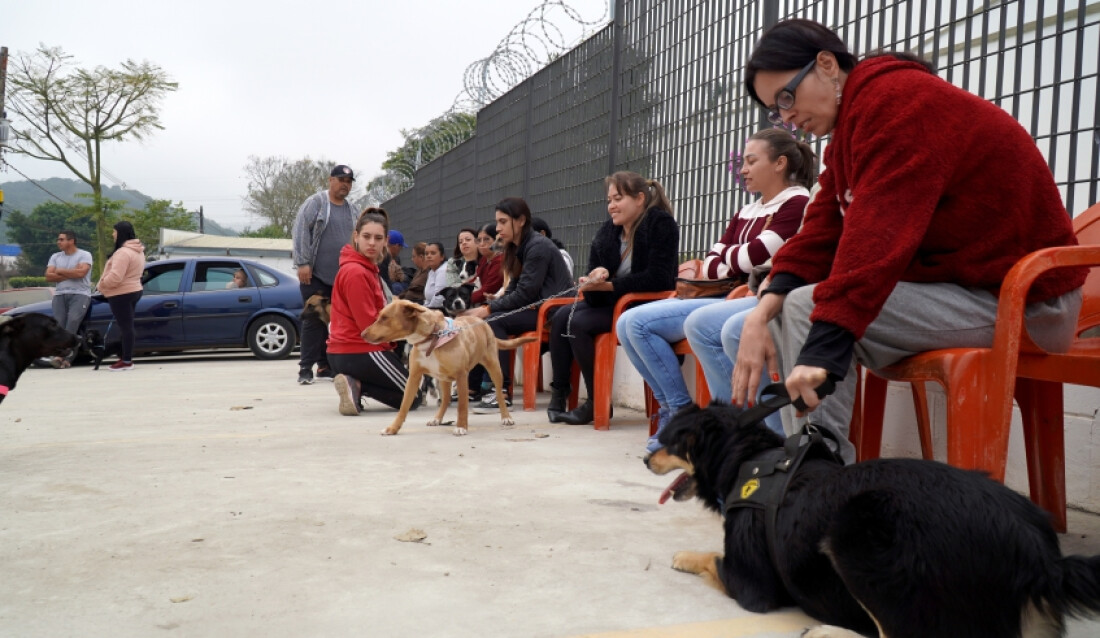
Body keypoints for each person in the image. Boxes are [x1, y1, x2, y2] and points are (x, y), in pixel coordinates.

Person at [729, 19, 1086, 464]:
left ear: (826, 64)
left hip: (1028, 300)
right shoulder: (855, 126)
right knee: (791, 306)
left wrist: (823, 345)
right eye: (774, 110)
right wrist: (762, 311)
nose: (786, 117)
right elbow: (821, 231)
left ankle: (816, 477)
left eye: (786, 97)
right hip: (966, 289)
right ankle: (808, 467)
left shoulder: (901, 104)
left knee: (805, 306)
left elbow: (878, 235)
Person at [619, 129, 813, 451]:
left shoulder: (796, 203)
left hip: (754, 294)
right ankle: (677, 411)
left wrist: (729, 260)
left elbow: (756, 256)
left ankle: (744, 433)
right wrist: (732, 261)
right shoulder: (746, 211)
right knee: (629, 321)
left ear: (779, 163)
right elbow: (712, 262)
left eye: (751, 161)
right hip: (725, 293)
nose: (743, 169)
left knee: (691, 325)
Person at [548, 172, 679, 426]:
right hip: (614, 302)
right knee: (562, 315)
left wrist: (609, 285)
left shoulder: (660, 224)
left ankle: (597, 402)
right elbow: (596, 268)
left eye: (618, 199)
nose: (611, 206)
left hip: (643, 305)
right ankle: (559, 392)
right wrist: (596, 275)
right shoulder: (609, 230)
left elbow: (659, 278)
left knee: (578, 323)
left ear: (639, 198)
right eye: (609, 200)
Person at [462, 197, 572, 412]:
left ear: (521, 221)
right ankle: (480, 387)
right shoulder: (516, 247)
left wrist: (487, 309)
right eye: (497, 222)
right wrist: (486, 309)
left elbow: (525, 293)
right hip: (536, 308)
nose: (498, 228)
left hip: (552, 312)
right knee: (486, 320)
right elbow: (514, 288)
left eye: (503, 222)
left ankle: (501, 391)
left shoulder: (537, 247)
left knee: (494, 321)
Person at [327, 207, 421, 416]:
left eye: (378, 238)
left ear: (385, 241)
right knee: (413, 397)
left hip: (347, 351)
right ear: (356, 236)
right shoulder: (356, 272)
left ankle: (355, 386)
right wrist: (390, 346)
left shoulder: (365, 268)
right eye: (366, 236)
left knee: (410, 392)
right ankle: (356, 383)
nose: (372, 243)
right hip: (359, 349)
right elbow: (369, 324)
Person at [291, 164, 359, 385]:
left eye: (348, 182)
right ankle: (305, 369)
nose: (345, 185)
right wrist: (303, 263)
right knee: (313, 321)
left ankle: (325, 366)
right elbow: (301, 231)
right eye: (341, 180)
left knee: (337, 323)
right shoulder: (316, 203)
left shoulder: (353, 210)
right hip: (315, 275)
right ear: (330, 180)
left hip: (342, 279)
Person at [96, 221, 146, 372]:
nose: (112, 234)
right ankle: (125, 357)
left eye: (114, 231)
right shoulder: (138, 251)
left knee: (126, 327)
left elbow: (116, 277)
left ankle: (126, 361)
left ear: (121, 233)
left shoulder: (122, 253)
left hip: (121, 293)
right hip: (134, 290)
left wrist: (101, 285)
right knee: (127, 326)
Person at [44, 230, 93, 368]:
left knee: (72, 322)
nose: (58, 242)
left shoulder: (84, 255)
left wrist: (59, 271)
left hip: (80, 294)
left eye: (61, 239)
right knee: (59, 326)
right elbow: (48, 276)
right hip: (59, 295)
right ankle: (65, 360)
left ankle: (61, 356)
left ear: (71, 241)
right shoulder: (55, 257)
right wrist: (72, 272)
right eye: (58, 239)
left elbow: (81, 274)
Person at [470, 223, 503, 307]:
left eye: (486, 239)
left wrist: (464, 297)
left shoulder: (500, 261)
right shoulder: (484, 259)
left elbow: (488, 291)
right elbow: (476, 279)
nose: (481, 244)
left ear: (496, 241)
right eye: (479, 240)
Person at [382, 230, 411, 294]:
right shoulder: (384, 259)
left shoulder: (380, 256)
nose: (400, 250)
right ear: (397, 246)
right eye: (401, 247)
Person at [421, 242, 449, 308]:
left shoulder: (443, 270)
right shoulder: (431, 271)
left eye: (433, 253)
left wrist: (425, 311)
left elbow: (439, 298)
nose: (429, 256)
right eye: (426, 254)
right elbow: (427, 299)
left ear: (442, 257)